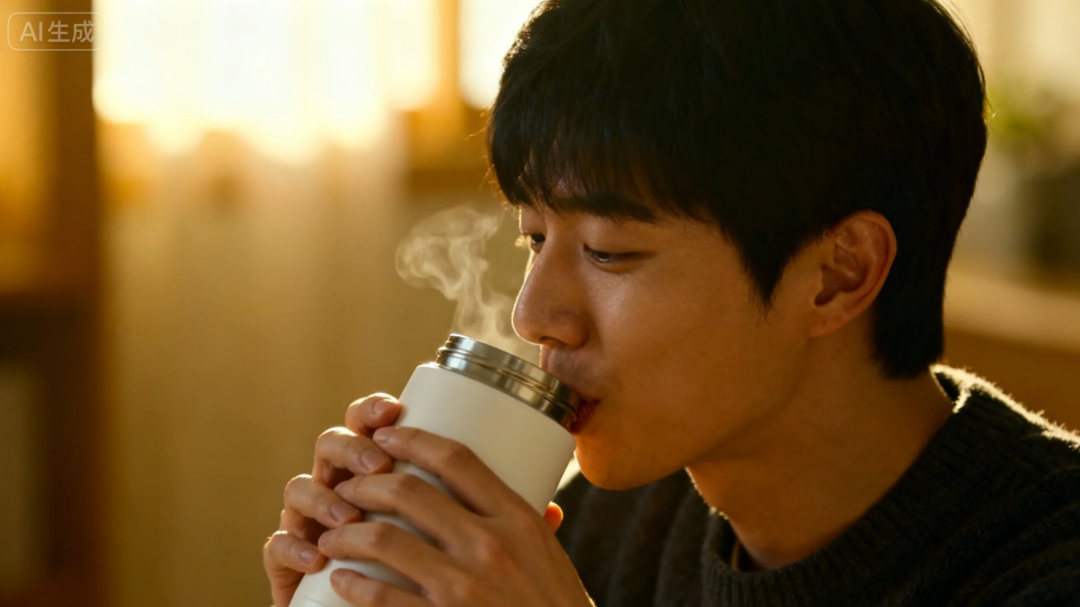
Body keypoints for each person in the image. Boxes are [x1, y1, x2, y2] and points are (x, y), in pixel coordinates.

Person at [263, 0, 1080, 605]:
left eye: (610, 252)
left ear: (837, 274)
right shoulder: (609, 523)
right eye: (534, 239)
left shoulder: (1045, 568)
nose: (535, 315)